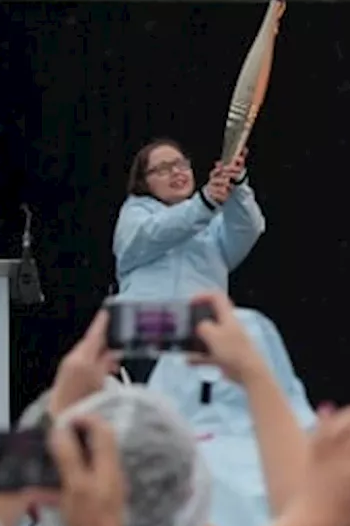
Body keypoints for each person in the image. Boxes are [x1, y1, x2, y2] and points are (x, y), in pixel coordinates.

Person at [113, 139, 266, 380]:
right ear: (143, 182)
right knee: (155, 413)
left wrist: (236, 183)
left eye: (181, 164)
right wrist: (205, 203)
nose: (176, 172)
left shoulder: (213, 223)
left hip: (202, 333)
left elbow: (249, 228)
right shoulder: (133, 214)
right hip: (147, 328)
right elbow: (158, 232)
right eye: (163, 169)